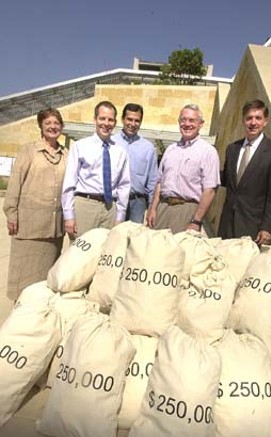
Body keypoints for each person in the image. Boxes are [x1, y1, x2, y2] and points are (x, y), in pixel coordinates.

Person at [3, 108, 68, 300]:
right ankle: (20, 312)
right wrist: (11, 213)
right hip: (29, 225)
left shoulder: (66, 154)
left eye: (56, 123)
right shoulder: (28, 150)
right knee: (24, 275)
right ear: (40, 126)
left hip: (53, 227)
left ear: (62, 127)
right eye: (48, 123)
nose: (52, 127)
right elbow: (15, 182)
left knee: (45, 279)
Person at [218, 99, 271, 245]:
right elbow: (227, 180)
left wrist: (267, 228)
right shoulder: (232, 149)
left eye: (258, 118)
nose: (253, 122)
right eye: (249, 118)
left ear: (265, 121)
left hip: (253, 227)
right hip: (227, 223)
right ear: (243, 120)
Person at [146, 104, 220, 234]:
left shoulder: (208, 152)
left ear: (200, 124)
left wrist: (196, 220)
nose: (187, 124)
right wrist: (153, 208)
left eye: (192, 120)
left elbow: (210, 190)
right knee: (155, 250)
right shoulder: (170, 150)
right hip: (163, 208)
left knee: (179, 252)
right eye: (183, 120)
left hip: (187, 210)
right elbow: (159, 182)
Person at [62, 101, 130, 237]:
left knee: (105, 254)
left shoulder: (120, 151)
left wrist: (120, 216)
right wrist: (68, 215)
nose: (106, 123)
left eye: (110, 119)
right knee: (81, 253)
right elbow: (69, 182)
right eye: (102, 118)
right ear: (95, 119)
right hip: (85, 206)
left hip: (110, 209)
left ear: (115, 122)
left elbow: (124, 186)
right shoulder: (80, 146)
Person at [112, 103, 158, 223]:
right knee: (113, 238)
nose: (132, 124)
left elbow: (152, 180)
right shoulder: (111, 143)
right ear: (122, 119)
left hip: (137, 203)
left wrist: (152, 208)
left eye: (137, 120)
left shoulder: (148, 148)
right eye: (129, 119)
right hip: (114, 201)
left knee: (133, 239)